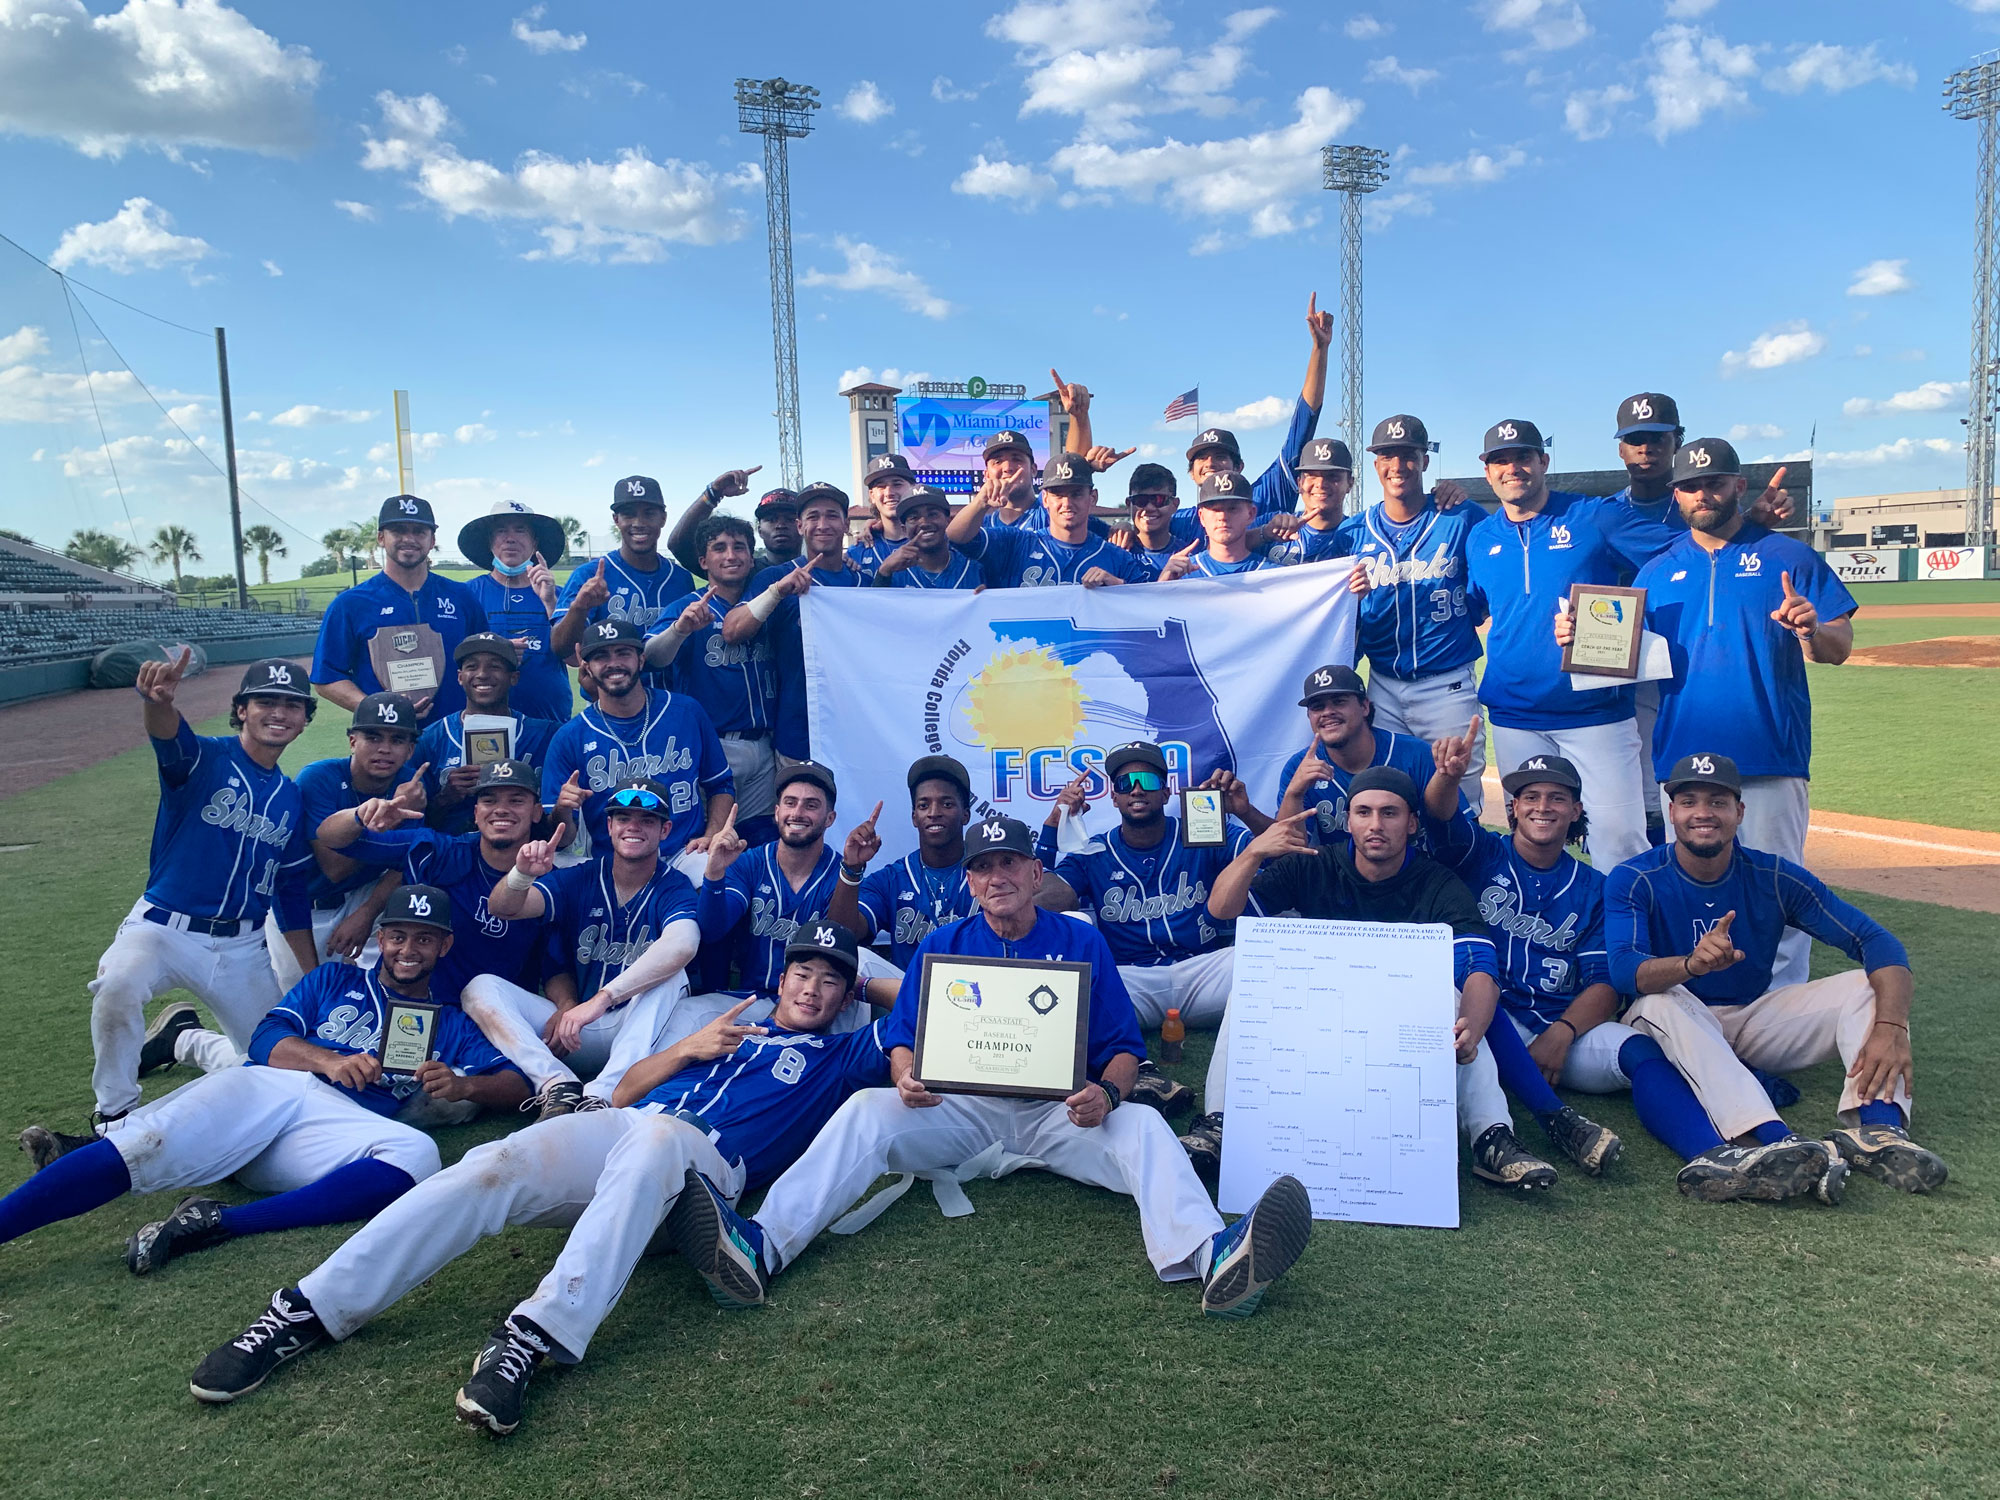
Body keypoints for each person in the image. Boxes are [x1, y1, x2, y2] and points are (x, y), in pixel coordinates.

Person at [188, 924, 894, 1435]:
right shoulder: (733, 1028)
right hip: (629, 1129)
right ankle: (306, 1310)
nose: (813, 987)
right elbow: (622, 1095)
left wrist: (867, 979)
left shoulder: (843, 1056)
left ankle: (531, 1336)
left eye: (831, 980)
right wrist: (687, 1049)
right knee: (493, 1164)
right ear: (782, 978)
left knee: (656, 1140)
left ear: (844, 997)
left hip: (706, 1165)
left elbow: (918, 1000)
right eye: (804, 973)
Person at [666, 817, 1315, 1322]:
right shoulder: (942, 945)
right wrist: (903, 1074)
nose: (996, 876)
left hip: (1058, 1112)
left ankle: (1215, 1259)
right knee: (864, 1112)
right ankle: (761, 1247)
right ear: (971, 882)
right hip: (962, 1109)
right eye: (984, 867)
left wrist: (1109, 1096)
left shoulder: (1079, 939)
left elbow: (1121, 1048)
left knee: (1144, 1125)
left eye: (1009, 863)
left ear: (1037, 874)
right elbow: (902, 1037)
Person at [10, 886, 526, 1275]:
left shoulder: (450, 1021)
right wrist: (326, 1061)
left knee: (417, 1155)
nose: (408, 949)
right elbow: (265, 1039)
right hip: (268, 1088)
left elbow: (516, 1084)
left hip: (338, 1124)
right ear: (381, 939)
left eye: (424, 939)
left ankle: (217, 1222)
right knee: (145, 1144)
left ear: (444, 945)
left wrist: (465, 1087)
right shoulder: (334, 979)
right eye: (397, 936)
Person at [1192, 768, 1558, 1191]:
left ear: (1412, 823)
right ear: (1348, 821)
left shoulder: (1437, 882)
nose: (1375, 825)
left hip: (1393, 1035)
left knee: (1456, 1002)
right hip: (1316, 1022)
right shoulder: (1313, 864)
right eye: (1363, 812)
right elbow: (1221, 910)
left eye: (1389, 813)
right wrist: (1253, 852)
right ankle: (1219, 1125)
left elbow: (1480, 968)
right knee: (1247, 989)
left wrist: (1471, 1031)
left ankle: (1492, 1137)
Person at [1607, 753, 1946, 1200]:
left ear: (1739, 812)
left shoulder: (1774, 877)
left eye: (1718, 801)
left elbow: (1874, 940)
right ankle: (1773, 1139)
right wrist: (1689, 965)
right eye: (1688, 801)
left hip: (1749, 1018)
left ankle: (1877, 1130)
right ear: (1672, 812)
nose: (1703, 813)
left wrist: (1891, 1025)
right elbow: (1624, 971)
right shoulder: (1636, 878)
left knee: (1866, 987)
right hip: (1671, 1022)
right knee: (1660, 1001)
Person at [54, 654, 319, 1155]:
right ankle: (114, 1117)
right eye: (266, 701)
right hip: (162, 929)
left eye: (292, 704)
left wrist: (309, 976)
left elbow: (289, 890)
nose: (279, 712)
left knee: (274, 1062)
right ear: (241, 709)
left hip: (241, 945)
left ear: (306, 719)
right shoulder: (205, 758)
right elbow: (169, 740)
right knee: (118, 985)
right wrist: (157, 703)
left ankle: (186, 1041)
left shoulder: (290, 796)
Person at [1622, 437, 1856, 987]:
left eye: (1715, 482)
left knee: (1781, 889)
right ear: (1675, 495)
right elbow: (1620, 665)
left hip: (1768, 753)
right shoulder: (1654, 573)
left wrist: (1811, 630)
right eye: (1691, 485)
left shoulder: (1789, 558)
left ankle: (1779, 1008)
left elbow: (1839, 646)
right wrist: (1577, 641)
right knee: (1686, 891)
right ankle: (1698, 1009)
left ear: (1737, 487)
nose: (1703, 493)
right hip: (1682, 758)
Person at [1464, 418, 1677, 869]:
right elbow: (1474, 608)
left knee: (1618, 841)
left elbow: (1678, 556)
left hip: (1596, 712)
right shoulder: (1481, 537)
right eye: (1499, 460)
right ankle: (1543, 938)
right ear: (1487, 472)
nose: (1512, 468)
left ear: (1543, 461)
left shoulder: (1592, 517)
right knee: (1533, 842)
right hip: (1515, 714)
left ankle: (1625, 940)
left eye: (1523, 457)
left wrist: (1620, 625)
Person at [1421, 753, 1646, 1178]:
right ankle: (1556, 1121)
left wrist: (1563, 1033)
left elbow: (1606, 983)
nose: (1543, 807)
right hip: (1481, 1024)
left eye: (1557, 798)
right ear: (1513, 808)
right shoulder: (1482, 854)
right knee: (1484, 1000)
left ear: (1576, 810)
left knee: (1638, 1051)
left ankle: (1712, 1144)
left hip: (1561, 1030)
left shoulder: (1595, 887)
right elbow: (1441, 819)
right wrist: (1447, 778)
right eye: (1530, 796)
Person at [1032, 742, 1255, 1113]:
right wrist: (1055, 822)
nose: (1137, 788)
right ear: (1115, 798)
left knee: (1266, 954)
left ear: (1166, 791)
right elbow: (1036, 899)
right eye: (1125, 782)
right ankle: (1145, 1076)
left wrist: (1243, 813)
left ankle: (1223, 1111)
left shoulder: (1202, 830)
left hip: (1203, 971)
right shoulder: (1094, 851)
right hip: (1129, 984)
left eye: (1148, 779)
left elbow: (1275, 850)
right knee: (1070, 935)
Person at [468, 778, 704, 1119]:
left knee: (671, 975)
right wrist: (520, 874)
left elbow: (683, 944)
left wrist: (601, 999)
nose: (633, 827)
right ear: (609, 826)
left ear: (665, 829)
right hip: (575, 1031)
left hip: (636, 1029)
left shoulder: (674, 886)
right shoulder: (579, 878)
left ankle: (603, 1094)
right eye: (623, 818)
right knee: (481, 987)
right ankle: (556, 1084)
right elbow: (503, 907)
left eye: (647, 820)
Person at [313, 759, 576, 1008]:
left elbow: (553, 964)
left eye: (516, 801)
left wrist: (566, 1007)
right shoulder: (438, 851)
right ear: (476, 812)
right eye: (489, 800)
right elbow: (331, 838)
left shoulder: (548, 881)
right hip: (417, 1005)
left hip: (497, 1016)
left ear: (536, 812)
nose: (501, 809)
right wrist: (359, 816)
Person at [1338, 414, 1487, 811]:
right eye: (1387, 455)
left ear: (1424, 460)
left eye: (1408, 455)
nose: (1398, 465)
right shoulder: (1353, 532)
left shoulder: (1461, 518)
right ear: (1375, 465)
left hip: (1446, 686)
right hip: (1382, 685)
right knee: (1389, 794)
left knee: (1459, 796)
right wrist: (1263, 533)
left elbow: (1493, 579)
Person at [692, 762, 902, 1002]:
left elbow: (846, 939)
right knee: (687, 1016)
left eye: (811, 805)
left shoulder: (841, 874)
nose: (798, 813)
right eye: (790, 803)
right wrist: (714, 873)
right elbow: (711, 930)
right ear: (777, 812)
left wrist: (852, 869)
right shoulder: (751, 863)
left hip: (815, 1008)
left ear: (830, 818)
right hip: (750, 1001)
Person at [540, 619, 736, 871]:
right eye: (601, 656)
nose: (614, 663)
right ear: (586, 667)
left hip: (684, 854)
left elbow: (720, 784)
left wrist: (712, 835)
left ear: (641, 660)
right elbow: (563, 840)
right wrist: (563, 810)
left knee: (721, 873)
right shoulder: (569, 737)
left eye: (623, 653)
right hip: (611, 862)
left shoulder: (686, 712)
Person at [272, 691, 422, 990]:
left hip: (365, 898)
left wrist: (367, 913)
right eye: (374, 737)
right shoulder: (318, 778)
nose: (385, 749)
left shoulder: (411, 783)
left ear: (410, 749)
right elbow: (335, 867)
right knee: (293, 1007)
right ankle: (191, 1037)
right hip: (303, 908)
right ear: (353, 741)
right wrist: (384, 822)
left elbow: (410, 859)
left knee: (371, 997)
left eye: (397, 740)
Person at [644, 515, 780, 844]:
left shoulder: (766, 604)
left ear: (751, 557)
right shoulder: (687, 607)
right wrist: (679, 630)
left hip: (765, 745)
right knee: (708, 844)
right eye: (719, 548)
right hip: (712, 746)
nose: (731, 555)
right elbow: (650, 656)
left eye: (739, 548)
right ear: (704, 561)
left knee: (758, 841)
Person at [721, 481, 866, 765]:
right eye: (813, 517)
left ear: (846, 524)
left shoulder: (864, 582)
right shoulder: (775, 577)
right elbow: (731, 630)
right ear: (800, 526)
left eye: (832, 515)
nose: (822, 524)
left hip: (856, 728)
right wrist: (777, 592)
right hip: (798, 731)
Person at [310, 495, 489, 724]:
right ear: (381, 538)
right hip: (385, 740)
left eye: (419, 531)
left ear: (432, 540)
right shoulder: (350, 604)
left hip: (454, 735)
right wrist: (383, 711)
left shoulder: (461, 596)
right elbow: (326, 677)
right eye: (399, 530)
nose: (409, 538)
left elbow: (481, 660)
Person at [1271, 665, 1466, 849]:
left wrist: (1447, 781)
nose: (1328, 712)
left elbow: (1456, 830)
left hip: (1417, 873)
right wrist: (1294, 794)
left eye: (1339, 702)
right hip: (1340, 880)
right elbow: (1288, 853)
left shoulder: (1415, 755)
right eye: (1317, 707)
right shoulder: (1298, 768)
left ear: (1365, 707)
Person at [1180, 292, 1331, 515]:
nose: (1210, 463)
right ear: (1192, 474)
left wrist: (1320, 349)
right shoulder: (1183, 522)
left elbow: (1304, 422)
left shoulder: (1264, 495)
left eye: (1221, 457)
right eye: (1201, 458)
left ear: (1239, 467)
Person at [825, 754, 980, 968]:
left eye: (946, 804)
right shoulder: (893, 878)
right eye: (924, 805)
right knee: (859, 961)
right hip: (907, 994)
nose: (934, 813)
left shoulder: (987, 871)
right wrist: (852, 869)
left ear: (965, 815)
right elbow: (842, 935)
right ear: (914, 817)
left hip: (977, 991)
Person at [551, 476, 695, 690]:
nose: (639, 522)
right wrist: (580, 607)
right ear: (616, 519)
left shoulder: (681, 578)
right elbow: (561, 648)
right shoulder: (589, 575)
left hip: (673, 705)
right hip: (611, 707)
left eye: (649, 513)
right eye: (629, 514)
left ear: (663, 518)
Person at [413, 635, 559, 837]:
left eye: (495, 666)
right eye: (472, 666)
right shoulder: (430, 738)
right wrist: (446, 797)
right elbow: (414, 823)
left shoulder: (546, 735)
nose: (482, 674)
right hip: (451, 853)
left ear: (513, 677)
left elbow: (556, 824)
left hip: (524, 853)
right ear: (460, 677)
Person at [944, 452, 1150, 588]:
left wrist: (1118, 586)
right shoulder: (1016, 543)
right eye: (1058, 494)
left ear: (1092, 498)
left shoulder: (1117, 557)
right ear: (1045, 499)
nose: (1067, 502)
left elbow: (1149, 608)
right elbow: (955, 537)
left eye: (1076, 493)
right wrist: (980, 502)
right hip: (1027, 653)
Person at [454, 500, 573, 722]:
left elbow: (575, 658)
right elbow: (455, 659)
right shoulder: (467, 594)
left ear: (534, 541)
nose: (510, 538)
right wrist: (499, 651)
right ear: (490, 541)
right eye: (501, 531)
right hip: (485, 722)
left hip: (548, 722)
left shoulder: (559, 594)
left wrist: (550, 604)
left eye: (520, 530)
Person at [1260, 437, 1355, 566]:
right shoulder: (1271, 523)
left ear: (1350, 483)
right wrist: (1264, 534)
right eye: (1312, 475)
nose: (1320, 484)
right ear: (1299, 483)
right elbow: (1225, 552)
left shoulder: (1360, 536)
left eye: (1332, 476)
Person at [867, 487, 983, 589]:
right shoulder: (892, 571)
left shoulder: (974, 567)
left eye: (932, 514)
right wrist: (883, 572)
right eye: (913, 517)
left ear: (948, 521)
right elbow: (875, 610)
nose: (924, 523)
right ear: (904, 529)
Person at [662, 464, 767, 576]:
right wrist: (714, 493)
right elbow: (679, 545)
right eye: (771, 519)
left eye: (788, 519)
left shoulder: (749, 568)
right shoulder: (748, 572)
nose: (780, 525)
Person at [847, 452, 920, 576]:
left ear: (913, 488)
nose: (889, 492)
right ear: (872, 495)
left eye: (897, 484)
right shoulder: (856, 552)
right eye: (881, 486)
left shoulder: (935, 542)